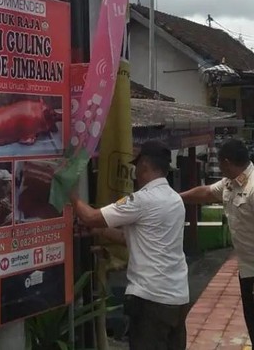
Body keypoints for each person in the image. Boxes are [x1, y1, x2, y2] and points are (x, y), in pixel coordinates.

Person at [69, 140, 189, 350]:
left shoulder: (142, 200)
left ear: (143, 166)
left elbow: (90, 217)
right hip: (177, 298)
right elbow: (134, 239)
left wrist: (71, 192)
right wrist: (101, 231)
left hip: (151, 300)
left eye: (136, 168)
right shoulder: (175, 200)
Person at [179, 139, 254, 350]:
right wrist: (176, 198)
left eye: (220, 164)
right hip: (249, 270)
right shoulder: (232, 182)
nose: (220, 169)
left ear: (226, 162)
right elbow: (206, 192)